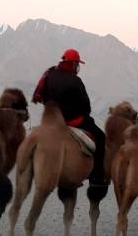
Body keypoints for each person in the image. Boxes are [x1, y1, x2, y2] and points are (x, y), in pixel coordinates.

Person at [32, 49, 107, 186]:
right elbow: (86, 106)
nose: (78, 67)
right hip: (72, 121)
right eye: (77, 64)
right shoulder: (75, 80)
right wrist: (83, 115)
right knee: (101, 137)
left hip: (51, 120)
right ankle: (97, 176)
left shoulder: (49, 75)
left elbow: (43, 98)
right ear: (72, 64)